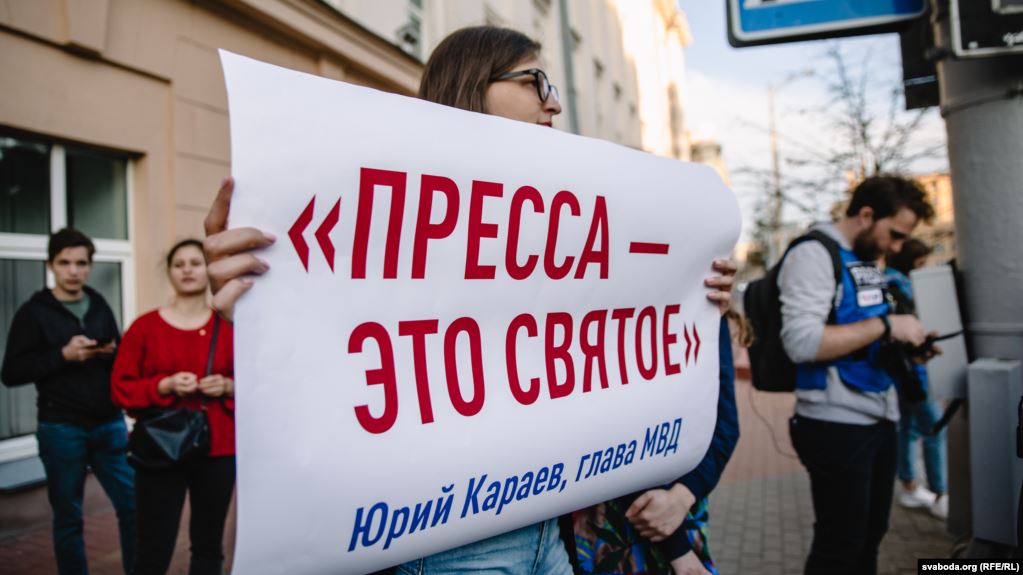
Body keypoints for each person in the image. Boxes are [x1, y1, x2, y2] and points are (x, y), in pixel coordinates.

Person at [202, 25, 737, 575]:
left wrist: (692, 302)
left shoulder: (561, 226)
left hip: (549, 534)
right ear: (471, 83)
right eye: (534, 81)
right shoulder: (386, 206)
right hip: (440, 544)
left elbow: (611, 375)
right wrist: (260, 305)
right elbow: (334, 365)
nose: (554, 102)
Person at [780, 176, 935, 575]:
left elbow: (863, 331)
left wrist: (907, 348)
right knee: (840, 547)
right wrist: (888, 326)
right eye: (895, 234)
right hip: (834, 423)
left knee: (870, 538)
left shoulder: (864, 257)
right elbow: (801, 342)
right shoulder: (814, 254)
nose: (897, 247)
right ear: (866, 215)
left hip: (879, 415)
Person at [1, 228, 136, 575]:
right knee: (68, 518)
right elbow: (11, 372)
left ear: (90, 266)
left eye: (81, 263)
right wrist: (62, 355)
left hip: (109, 424)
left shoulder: (98, 303)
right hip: (61, 428)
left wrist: (109, 352)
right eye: (65, 263)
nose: (74, 271)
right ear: (50, 265)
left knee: (133, 504)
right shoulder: (34, 312)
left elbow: (118, 355)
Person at [567, 310, 741, 575]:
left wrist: (682, 496)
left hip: (677, 510)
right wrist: (678, 546)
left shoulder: (707, 305)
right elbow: (606, 428)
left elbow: (725, 423)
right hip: (615, 518)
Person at [110, 239, 236, 575]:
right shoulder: (144, 327)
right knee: (153, 546)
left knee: (209, 545)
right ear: (169, 272)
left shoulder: (229, 327)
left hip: (219, 447)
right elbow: (120, 389)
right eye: (179, 264)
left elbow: (260, 385)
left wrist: (228, 386)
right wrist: (162, 386)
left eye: (196, 263)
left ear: (208, 270)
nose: (187, 270)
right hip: (160, 447)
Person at [884, 239, 948, 520]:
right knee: (934, 428)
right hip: (913, 370)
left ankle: (909, 484)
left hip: (899, 370)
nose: (923, 268)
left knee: (908, 427)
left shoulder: (886, 282)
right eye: (920, 263)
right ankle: (940, 492)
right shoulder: (901, 287)